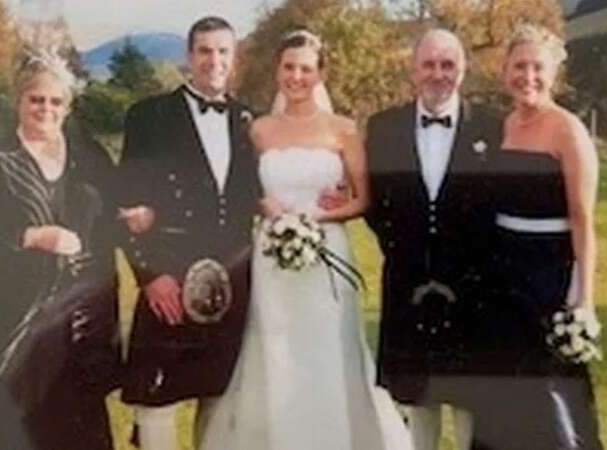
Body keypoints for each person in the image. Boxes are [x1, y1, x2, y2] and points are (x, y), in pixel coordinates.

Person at [193, 29, 413, 450]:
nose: (296, 77)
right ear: (277, 70)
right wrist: (268, 209)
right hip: (273, 256)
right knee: (274, 350)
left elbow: (363, 199)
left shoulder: (344, 130)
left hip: (327, 253)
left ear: (320, 74)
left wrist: (321, 215)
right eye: (289, 67)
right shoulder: (258, 130)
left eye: (306, 69)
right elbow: (243, 191)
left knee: (329, 351)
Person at [0, 47, 121, 450]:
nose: (45, 108)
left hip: (83, 324)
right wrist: (30, 237)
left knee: (82, 433)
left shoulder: (89, 156)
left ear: (67, 106)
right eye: (36, 99)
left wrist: (134, 216)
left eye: (55, 101)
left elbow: (112, 216)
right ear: (19, 101)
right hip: (18, 326)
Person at [116, 16, 260, 450]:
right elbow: (125, 206)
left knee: (218, 399)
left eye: (222, 52)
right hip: (170, 278)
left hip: (229, 284)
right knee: (158, 399)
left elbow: (259, 195)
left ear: (234, 59)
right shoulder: (150, 116)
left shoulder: (247, 118)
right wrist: (150, 276)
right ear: (188, 57)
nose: (213, 61)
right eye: (204, 51)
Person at [364, 29, 504, 450]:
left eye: (448, 65)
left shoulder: (494, 127)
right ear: (413, 70)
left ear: (464, 70)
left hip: (473, 287)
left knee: (469, 401)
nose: (438, 74)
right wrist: (404, 248)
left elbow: (503, 203)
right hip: (408, 281)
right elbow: (374, 202)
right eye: (429, 64)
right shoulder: (383, 127)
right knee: (417, 398)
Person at [469, 23, 604, 449]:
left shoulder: (569, 132)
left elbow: (583, 222)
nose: (528, 76)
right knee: (500, 391)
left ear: (554, 73)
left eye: (537, 67)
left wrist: (583, 302)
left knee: (548, 388)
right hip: (501, 275)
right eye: (519, 66)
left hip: (547, 274)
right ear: (505, 70)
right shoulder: (503, 125)